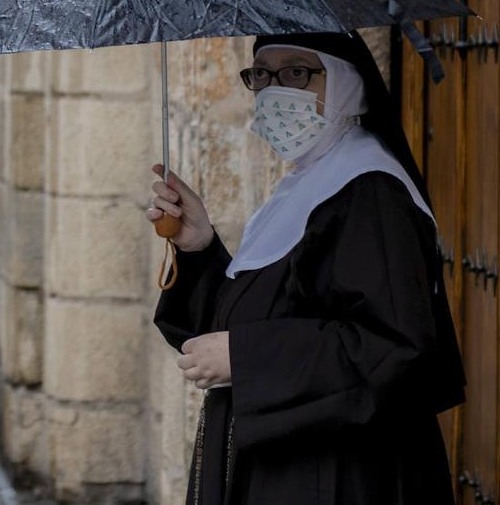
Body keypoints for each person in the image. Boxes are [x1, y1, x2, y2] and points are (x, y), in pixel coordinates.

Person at [147, 32, 465, 505]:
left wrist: (248, 359)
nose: (276, 91)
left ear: (346, 85)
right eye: (262, 75)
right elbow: (254, 314)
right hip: (291, 465)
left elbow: (397, 349)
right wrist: (199, 247)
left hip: (342, 475)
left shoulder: (370, 193)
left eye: (297, 72)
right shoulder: (308, 184)